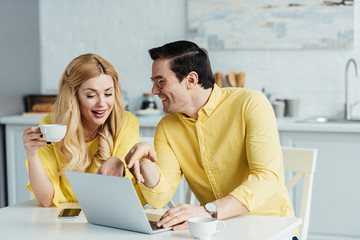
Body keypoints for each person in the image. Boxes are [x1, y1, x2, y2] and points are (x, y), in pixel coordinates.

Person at [125, 40, 298, 239]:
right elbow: (159, 198)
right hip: (216, 232)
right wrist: (146, 161)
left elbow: (267, 179)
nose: (154, 90)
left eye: (161, 81)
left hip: (272, 229)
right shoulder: (167, 126)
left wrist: (208, 211)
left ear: (191, 80)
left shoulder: (250, 104)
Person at [22, 53, 145, 208]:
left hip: (108, 215)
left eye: (108, 94)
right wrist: (32, 155)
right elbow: (46, 199)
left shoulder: (126, 122)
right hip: (63, 219)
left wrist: (120, 166)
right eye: (91, 95)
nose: (102, 103)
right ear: (73, 96)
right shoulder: (50, 126)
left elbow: (119, 194)